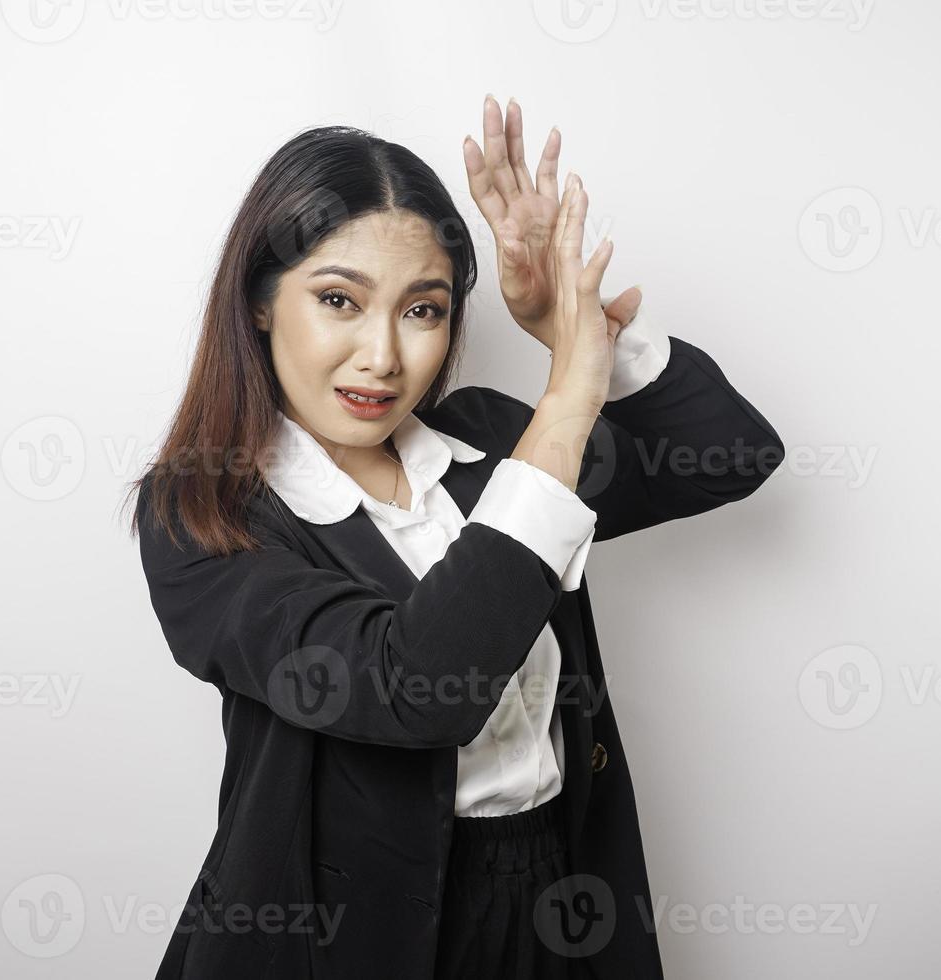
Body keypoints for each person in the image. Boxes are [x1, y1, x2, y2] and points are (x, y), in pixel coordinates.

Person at [127, 95, 784, 979]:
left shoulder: (483, 445)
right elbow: (417, 686)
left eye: (423, 310)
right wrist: (564, 403)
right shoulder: (207, 514)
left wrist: (584, 336)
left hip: (560, 898)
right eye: (338, 300)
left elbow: (725, 456)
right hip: (346, 940)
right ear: (258, 303)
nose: (383, 357)